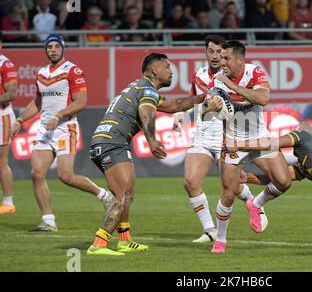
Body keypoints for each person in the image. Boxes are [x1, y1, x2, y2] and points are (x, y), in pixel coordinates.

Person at [87, 52, 209, 255]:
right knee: (124, 195)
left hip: (102, 141)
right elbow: (147, 113)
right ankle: (99, 243)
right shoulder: (147, 90)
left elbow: (176, 106)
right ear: (155, 70)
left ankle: (124, 239)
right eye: (167, 66)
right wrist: (151, 140)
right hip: (113, 143)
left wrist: (206, 96)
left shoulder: (140, 87)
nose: (171, 71)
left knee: (124, 194)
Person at [10, 34, 114, 231]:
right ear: (46, 50)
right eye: (49, 47)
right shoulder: (41, 73)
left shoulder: (72, 70)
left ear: (63, 48)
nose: (53, 50)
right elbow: (38, 102)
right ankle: (49, 221)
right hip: (44, 129)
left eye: (57, 46)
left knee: (66, 176)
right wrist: (20, 120)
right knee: (36, 174)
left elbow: (81, 102)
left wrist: (58, 115)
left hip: (65, 128)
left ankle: (104, 196)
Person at [178, 35, 268, 243]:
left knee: (232, 186)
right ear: (206, 53)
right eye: (211, 51)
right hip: (203, 135)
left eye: (220, 52)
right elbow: (194, 98)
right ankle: (210, 230)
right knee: (190, 182)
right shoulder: (199, 75)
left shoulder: (231, 77)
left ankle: (253, 203)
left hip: (225, 135)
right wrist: (180, 114)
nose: (216, 56)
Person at [208, 40, 291, 253]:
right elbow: (212, 110)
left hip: (259, 139)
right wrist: (211, 107)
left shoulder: (254, 72)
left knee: (283, 181)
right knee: (228, 193)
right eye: (220, 57)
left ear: (240, 60)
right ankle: (221, 240)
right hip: (233, 143)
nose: (221, 61)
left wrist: (232, 85)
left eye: (226, 57)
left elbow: (263, 99)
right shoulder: (217, 81)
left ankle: (256, 204)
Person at [0, 31, 17, 214]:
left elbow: (11, 94)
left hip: (1, 116)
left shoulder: (5, 64)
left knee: (1, 161)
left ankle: (8, 202)